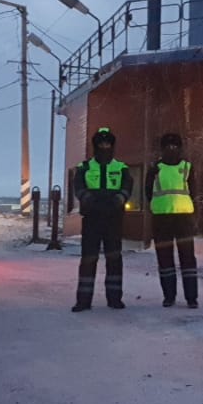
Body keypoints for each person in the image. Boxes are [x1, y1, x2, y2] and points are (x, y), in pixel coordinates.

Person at [71, 127, 132, 312]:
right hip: (92, 219)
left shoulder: (122, 168)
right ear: (95, 146)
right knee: (89, 259)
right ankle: (83, 300)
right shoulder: (84, 168)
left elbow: (127, 188)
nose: (105, 146)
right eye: (101, 143)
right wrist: (90, 201)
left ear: (112, 146)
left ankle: (114, 299)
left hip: (113, 219)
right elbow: (79, 188)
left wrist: (118, 200)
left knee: (114, 259)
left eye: (108, 143)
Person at [148, 132, 198, 308]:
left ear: (180, 148)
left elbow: (195, 191)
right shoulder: (155, 169)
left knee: (187, 259)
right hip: (162, 218)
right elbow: (148, 192)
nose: (171, 149)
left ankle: (191, 297)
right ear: (162, 149)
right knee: (165, 259)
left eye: (175, 146)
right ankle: (169, 296)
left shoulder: (187, 167)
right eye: (168, 146)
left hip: (182, 218)